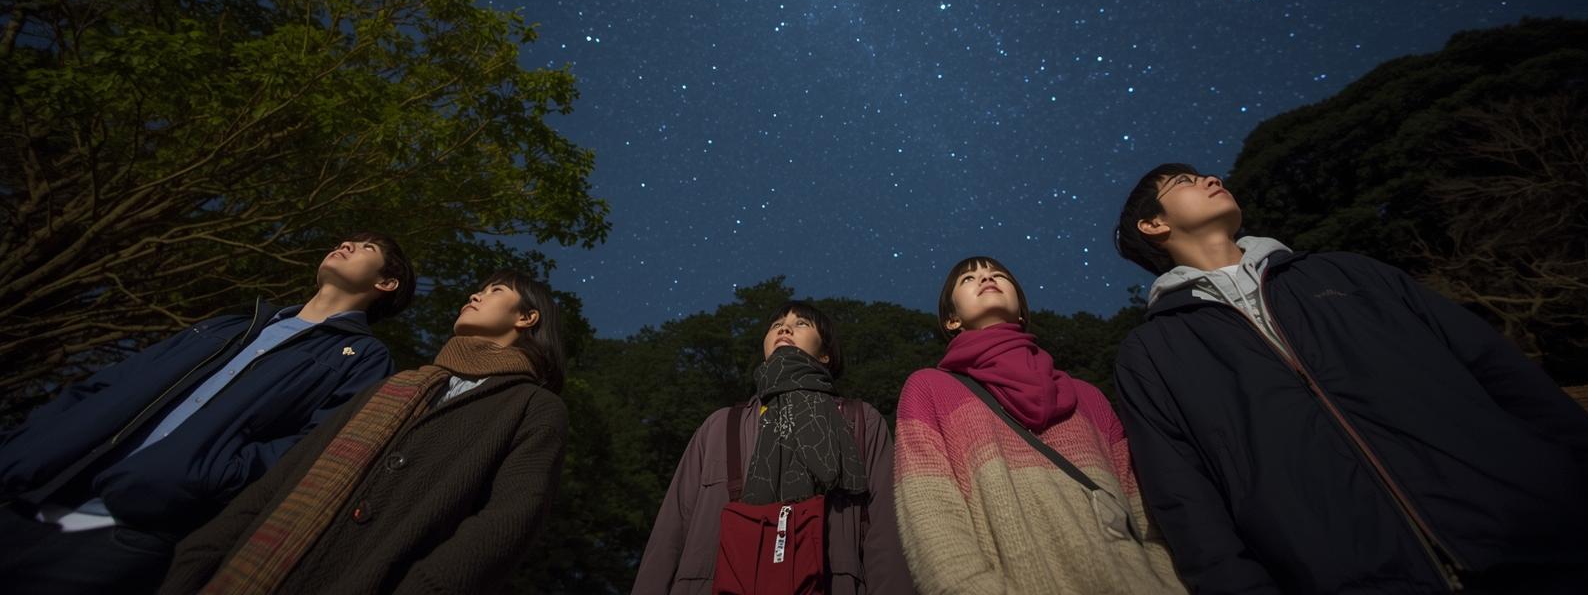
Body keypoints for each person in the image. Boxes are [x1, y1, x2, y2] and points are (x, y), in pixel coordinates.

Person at [1111, 163, 1588, 594]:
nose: (1212, 178)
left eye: (1206, 174)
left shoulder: (1351, 273)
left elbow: (1507, 379)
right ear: (1154, 224)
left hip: (1542, 545)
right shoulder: (1151, 353)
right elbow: (1185, 499)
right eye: (1186, 181)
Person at [0, 233, 414, 594]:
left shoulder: (362, 358)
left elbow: (314, 450)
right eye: (347, 240)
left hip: (125, 534)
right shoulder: (230, 325)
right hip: (31, 493)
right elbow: (105, 385)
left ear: (385, 282)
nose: (345, 244)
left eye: (366, 246)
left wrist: (213, 475)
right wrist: (26, 445)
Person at [160, 269, 570, 595]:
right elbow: (287, 477)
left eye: (495, 290)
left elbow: (510, 519)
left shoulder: (533, 407)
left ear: (526, 317)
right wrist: (197, 557)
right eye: (478, 289)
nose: (475, 295)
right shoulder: (393, 387)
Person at [893, 256, 1183, 595]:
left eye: (998, 274)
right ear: (952, 319)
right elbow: (929, 509)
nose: (987, 277)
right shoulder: (930, 388)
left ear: (1020, 310)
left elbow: (1141, 507)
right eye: (968, 279)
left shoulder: (1088, 396)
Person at [632, 300, 914, 595]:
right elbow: (671, 529)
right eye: (776, 324)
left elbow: (885, 531)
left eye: (801, 323)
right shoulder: (720, 425)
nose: (785, 327)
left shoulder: (859, 419)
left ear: (826, 354)